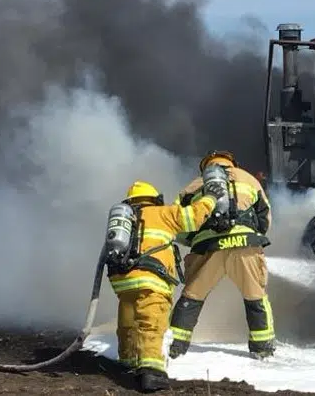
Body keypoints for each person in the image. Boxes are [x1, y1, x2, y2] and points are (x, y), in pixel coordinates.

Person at [107, 179, 225, 393]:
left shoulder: (128, 218)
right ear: (155, 199)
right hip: (151, 278)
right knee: (151, 322)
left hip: (123, 280)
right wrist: (211, 198)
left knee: (128, 321)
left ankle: (127, 361)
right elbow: (193, 217)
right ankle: (152, 372)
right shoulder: (162, 212)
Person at [168, 150, 275, 360]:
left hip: (209, 247)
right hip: (246, 246)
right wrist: (252, 236)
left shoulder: (195, 184)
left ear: (206, 166)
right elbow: (265, 217)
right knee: (256, 298)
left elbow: (177, 221)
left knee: (191, 298)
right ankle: (263, 350)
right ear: (232, 163)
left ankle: (174, 348)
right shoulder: (249, 179)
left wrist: (193, 240)